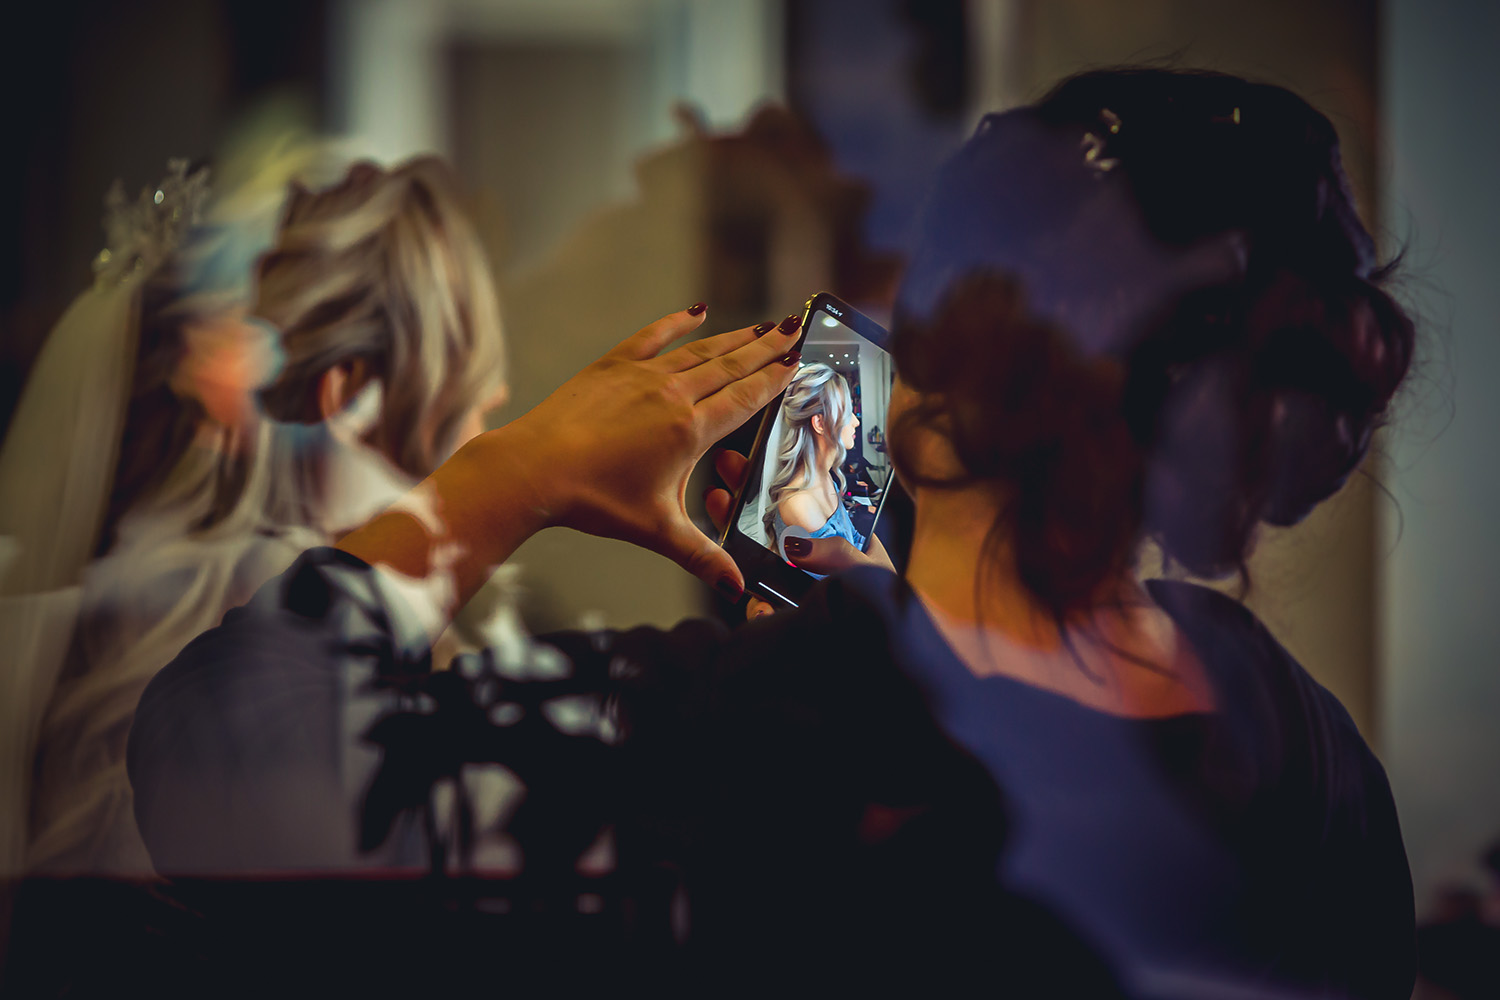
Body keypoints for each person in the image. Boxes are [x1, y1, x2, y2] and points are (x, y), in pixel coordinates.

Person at [129, 68, 1416, 996]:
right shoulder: (1316, 758)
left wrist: (516, 472)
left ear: (943, 380)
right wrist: (839, 628)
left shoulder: (752, 732)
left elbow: (224, 768)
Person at [1, 153, 511, 878]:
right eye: (464, 375)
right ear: (346, 398)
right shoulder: (308, 643)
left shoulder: (98, 611)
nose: (494, 403)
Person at [761, 361, 894, 574]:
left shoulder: (826, 478)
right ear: (820, 423)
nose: (856, 422)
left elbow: (853, 540)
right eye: (848, 412)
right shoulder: (800, 505)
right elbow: (830, 585)